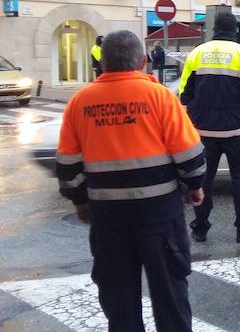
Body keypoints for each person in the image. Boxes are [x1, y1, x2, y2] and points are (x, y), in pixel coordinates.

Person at [55, 30, 206, 331]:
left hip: (108, 217)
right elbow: (188, 154)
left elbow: (68, 166)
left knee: (119, 299)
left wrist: (81, 202)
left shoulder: (80, 102)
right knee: (170, 293)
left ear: (103, 63)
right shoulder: (160, 96)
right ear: (142, 61)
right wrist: (195, 185)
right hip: (160, 215)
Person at [179, 11, 240, 243]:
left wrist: (193, 119)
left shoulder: (196, 54)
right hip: (237, 132)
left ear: (214, 29)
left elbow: (184, 93)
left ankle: (200, 227)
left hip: (203, 133)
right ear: (235, 31)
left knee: (203, 180)